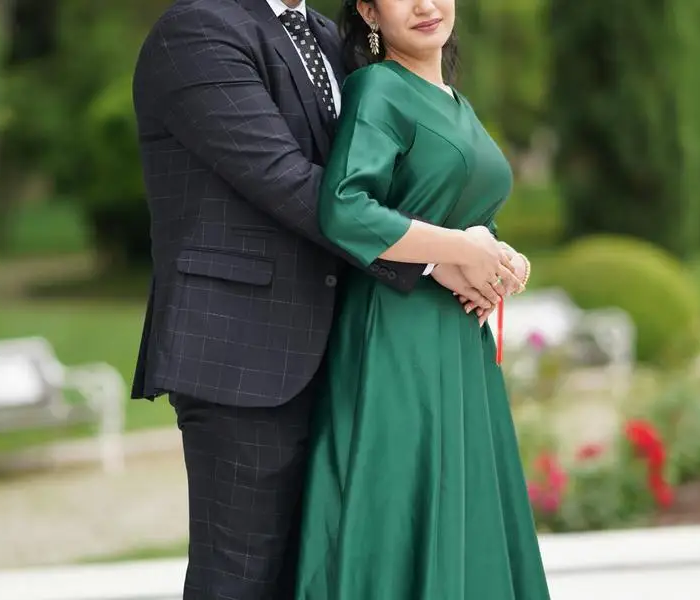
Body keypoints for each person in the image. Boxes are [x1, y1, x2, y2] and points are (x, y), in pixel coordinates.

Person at [130, 0, 519, 598]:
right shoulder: (196, 31)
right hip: (246, 356)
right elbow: (287, 180)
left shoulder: (326, 37)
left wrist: (477, 240)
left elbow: (388, 173)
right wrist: (439, 255)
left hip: (352, 352)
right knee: (242, 578)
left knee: (328, 575)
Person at [292, 0, 552, 598]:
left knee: (462, 513)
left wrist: (497, 257)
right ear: (368, 10)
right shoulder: (377, 89)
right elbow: (345, 208)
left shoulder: (458, 104)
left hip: (458, 342)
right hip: (397, 335)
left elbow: (460, 214)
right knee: (403, 508)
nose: (426, 5)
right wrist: (455, 251)